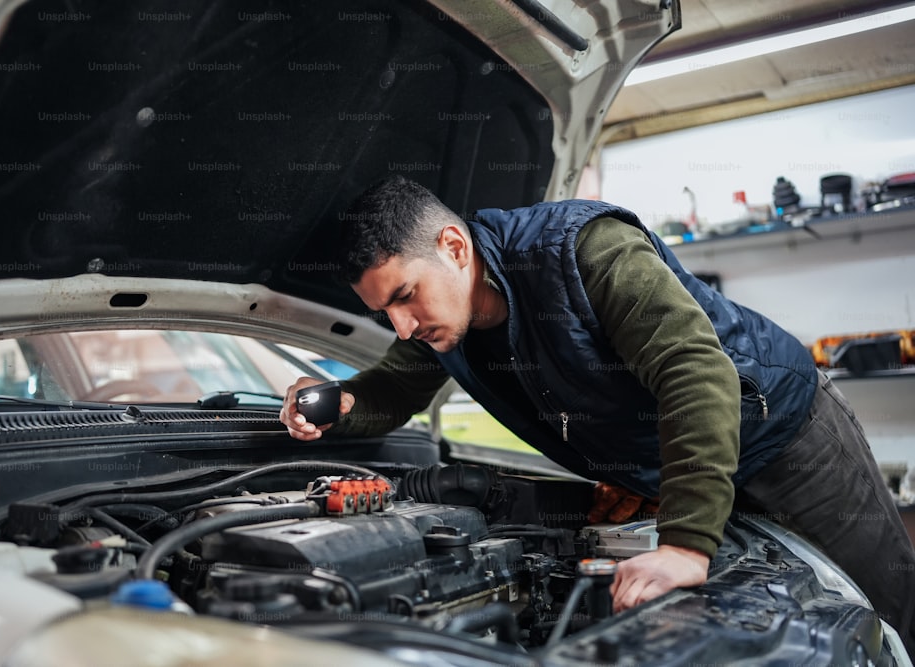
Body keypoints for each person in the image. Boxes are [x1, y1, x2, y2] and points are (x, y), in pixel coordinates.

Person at [280, 175, 915, 656]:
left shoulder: (583, 251)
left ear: (452, 246)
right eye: (383, 312)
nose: (401, 325)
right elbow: (392, 388)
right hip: (686, 471)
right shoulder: (446, 323)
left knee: (876, 617)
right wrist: (336, 405)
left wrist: (687, 545)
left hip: (787, 440)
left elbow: (693, 373)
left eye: (403, 297)